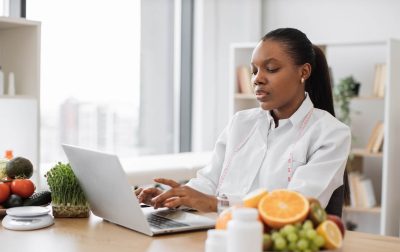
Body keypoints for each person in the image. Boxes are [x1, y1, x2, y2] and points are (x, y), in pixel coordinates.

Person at [136, 28, 351, 214]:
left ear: (303, 71)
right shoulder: (241, 123)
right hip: (217, 234)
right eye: (254, 71)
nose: (257, 78)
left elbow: (293, 206)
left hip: (273, 248)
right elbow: (209, 182)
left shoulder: (331, 134)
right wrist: (171, 198)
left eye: (271, 69)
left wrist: (215, 204)